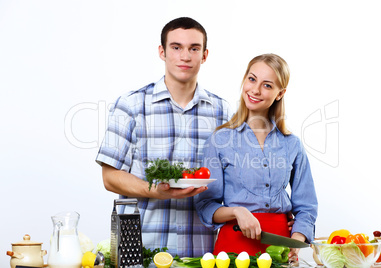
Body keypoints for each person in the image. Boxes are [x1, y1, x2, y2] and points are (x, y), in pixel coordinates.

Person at [95, 17, 232, 257]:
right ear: (162, 52)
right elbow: (109, 177)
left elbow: (233, 182)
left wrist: (276, 217)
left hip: (201, 252)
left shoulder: (222, 112)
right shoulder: (131, 105)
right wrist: (154, 191)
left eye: (194, 48)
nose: (185, 56)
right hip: (140, 249)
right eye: (176, 47)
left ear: (205, 55)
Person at [195, 53, 318, 258]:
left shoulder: (292, 144)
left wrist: (296, 241)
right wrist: (237, 211)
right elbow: (206, 205)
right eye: (252, 79)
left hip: (280, 249)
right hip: (233, 247)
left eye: (267, 85)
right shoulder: (219, 140)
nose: (255, 90)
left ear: (280, 93)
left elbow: (307, 206)